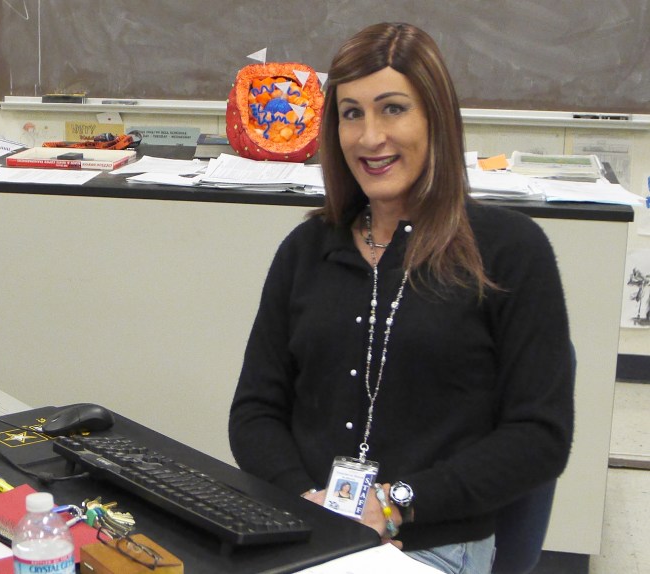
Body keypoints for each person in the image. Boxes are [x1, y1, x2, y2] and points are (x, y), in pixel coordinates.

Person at [228, 22, 574, 574]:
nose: (370, 138)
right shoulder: (306, 249)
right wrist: (305, 499)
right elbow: (255, 411)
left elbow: (539, 437)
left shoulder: (510, 251)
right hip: (307, 529)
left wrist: (392, 503)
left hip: (432, 545)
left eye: (393, 109)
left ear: (435, 117)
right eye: (351, 113)